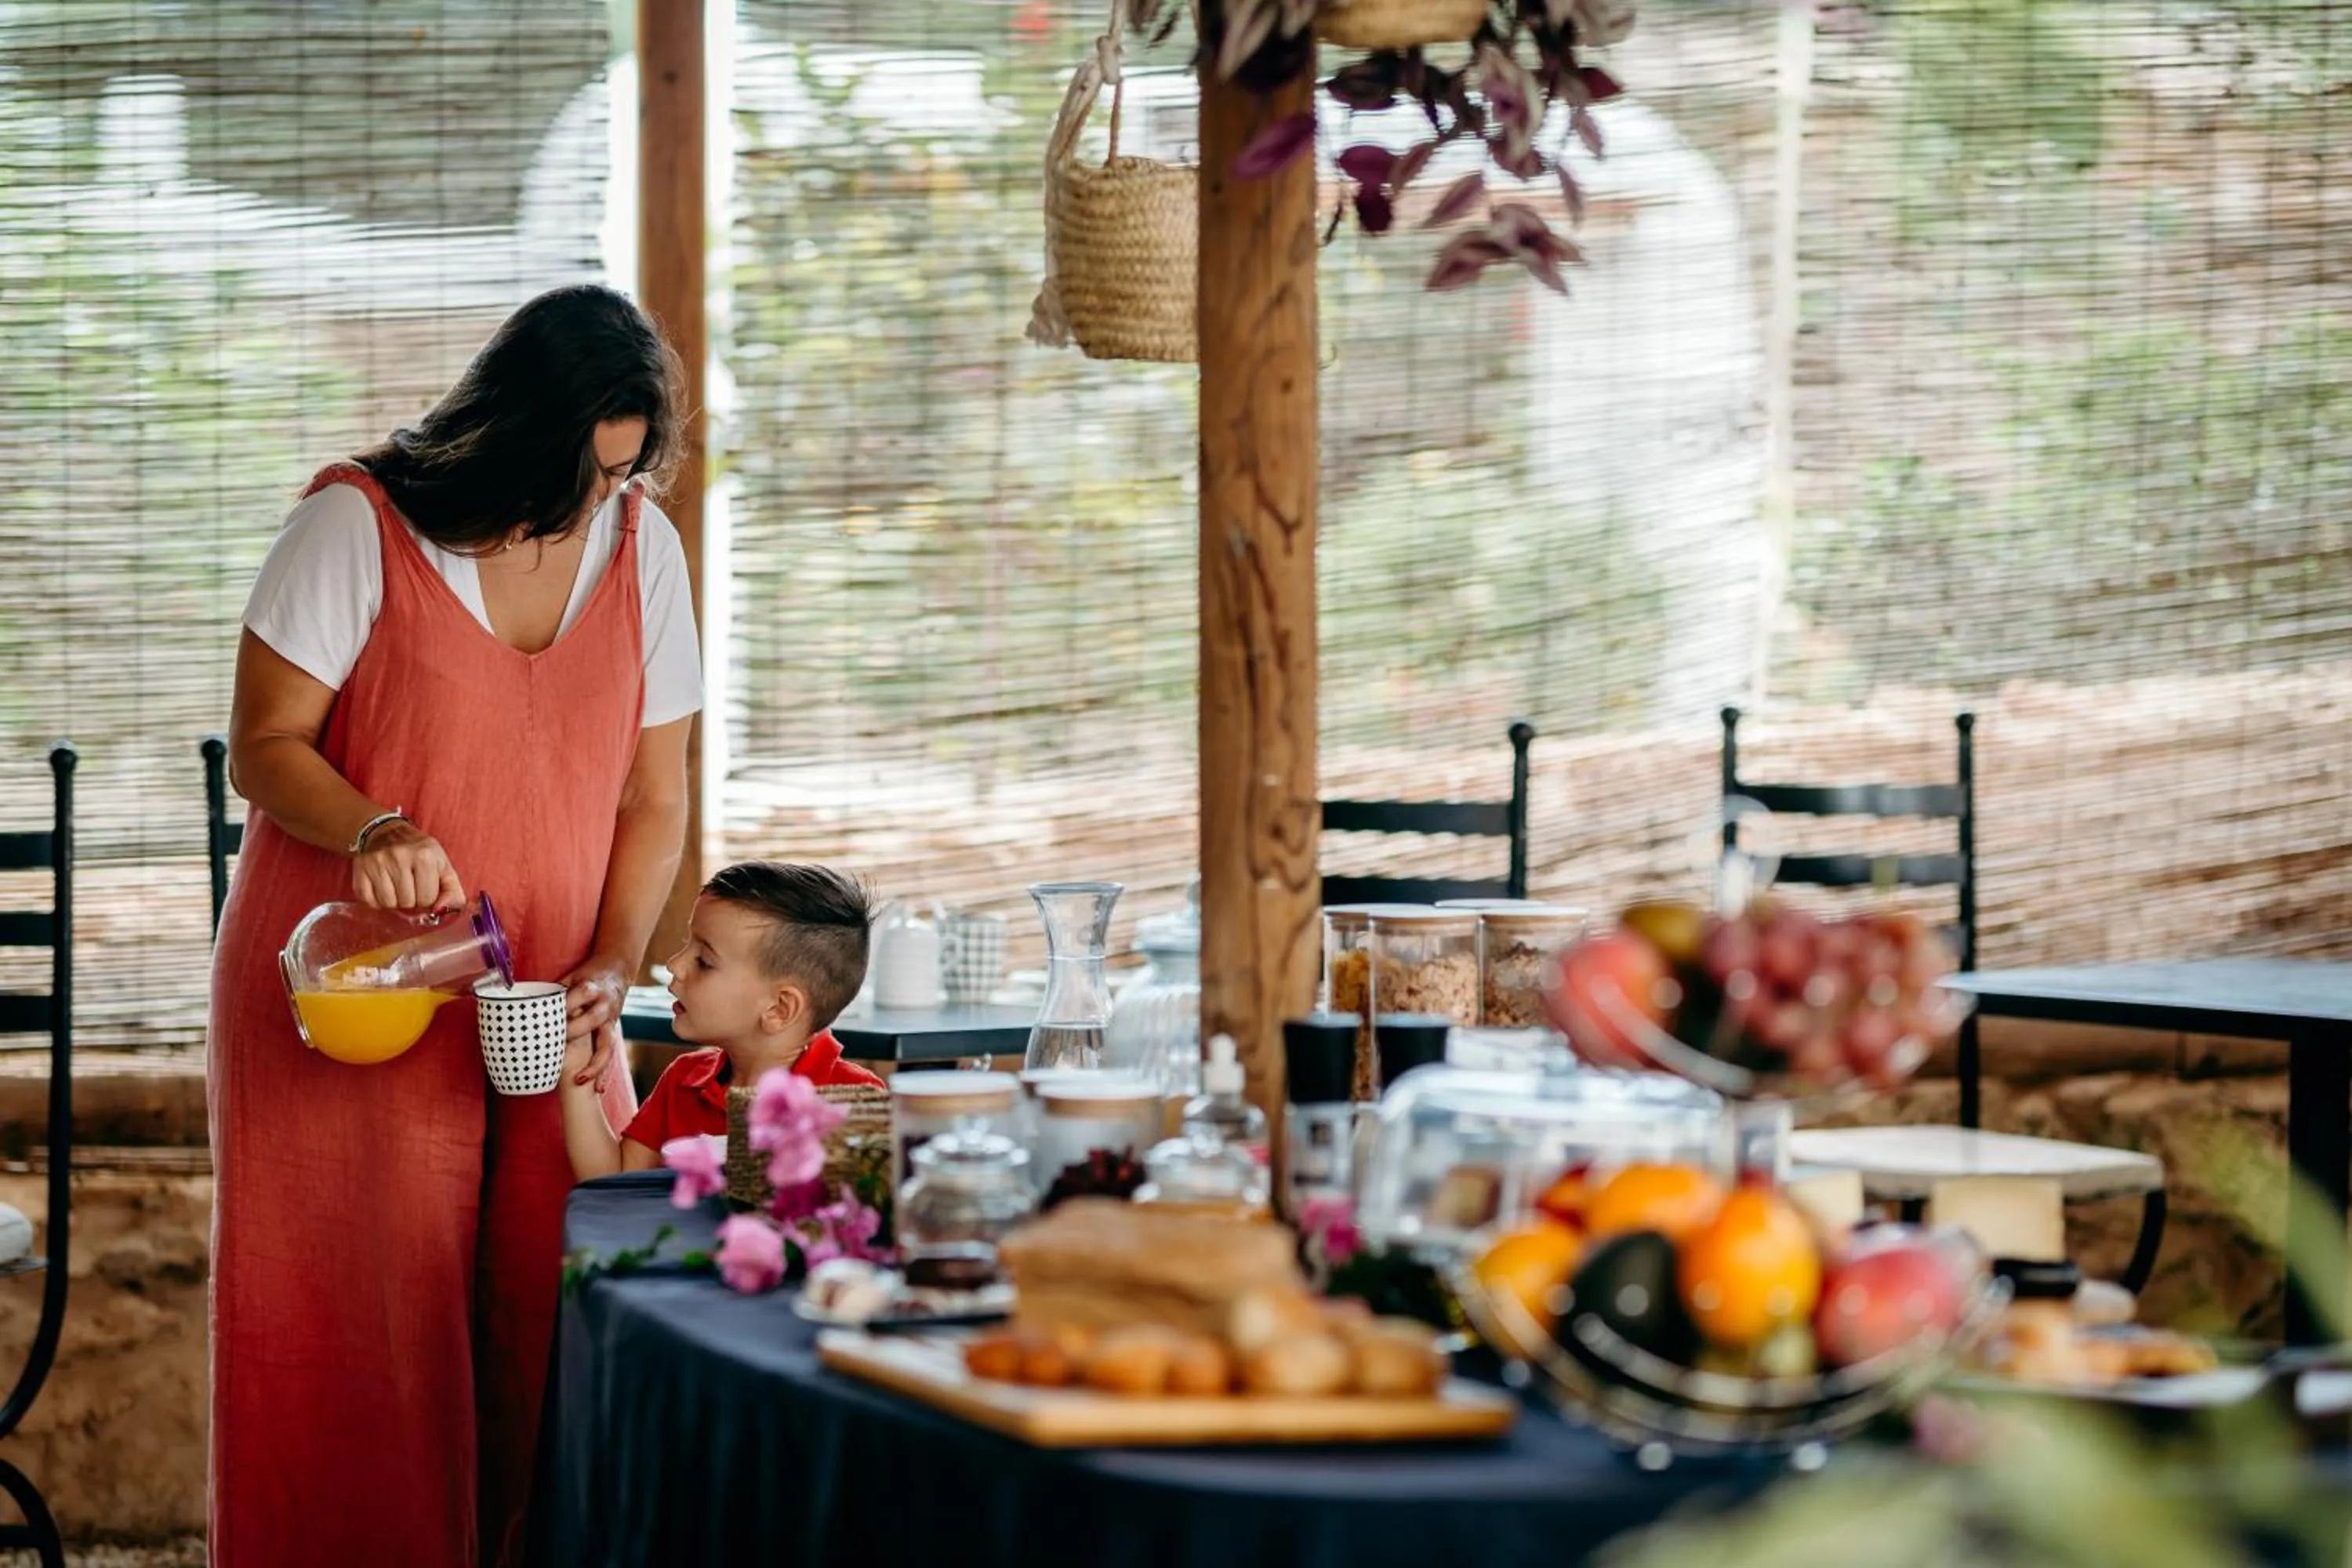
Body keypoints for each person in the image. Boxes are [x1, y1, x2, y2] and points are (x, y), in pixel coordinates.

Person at [209, 284, 702, 1567]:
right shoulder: (353, 525)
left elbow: (656, 796)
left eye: (621, 475)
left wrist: (614, 960)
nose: (599, 504)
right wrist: (373, 827)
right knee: (362, 1341)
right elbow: (264, 746)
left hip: (548, 1000)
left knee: (553, 1306)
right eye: (580, 475)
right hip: (352, 994)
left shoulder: (643, 548)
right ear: (507, 435)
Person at [561, 861, 885, 1181]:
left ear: (779, 1008)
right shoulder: (682, 1082)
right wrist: (576, 1066)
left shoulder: (855, 1102)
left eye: (704, 961)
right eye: (687, 945)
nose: (675, 964)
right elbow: (617, 1182)